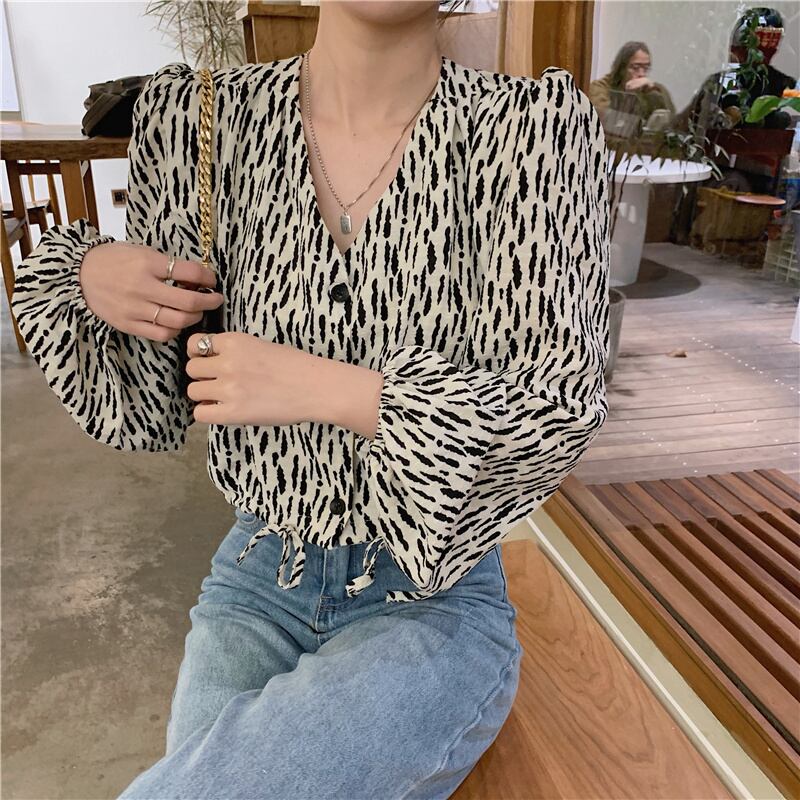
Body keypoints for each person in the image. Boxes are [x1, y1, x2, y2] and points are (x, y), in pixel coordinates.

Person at [11, 1, 609, 797]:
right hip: (258, 576)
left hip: (431, 594)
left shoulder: (527, 133)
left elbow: (555, 405)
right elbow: (151, 404)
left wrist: (327, 387)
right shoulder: (202, 125)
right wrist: (90, 275)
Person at [674, 6, 797, 133]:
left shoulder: (780, 81)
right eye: (765, 39)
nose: (769, 48)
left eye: (773, 40)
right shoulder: (721, 79)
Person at [589, 41, 676, 134]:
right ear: (621, 69)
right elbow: (605, 120)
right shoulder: (599, 87)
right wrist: (627, 96)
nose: (641, 74)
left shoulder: (649, 88)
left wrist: (653, 92)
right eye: (635, 68)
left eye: (646, 68)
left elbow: (671, 120)